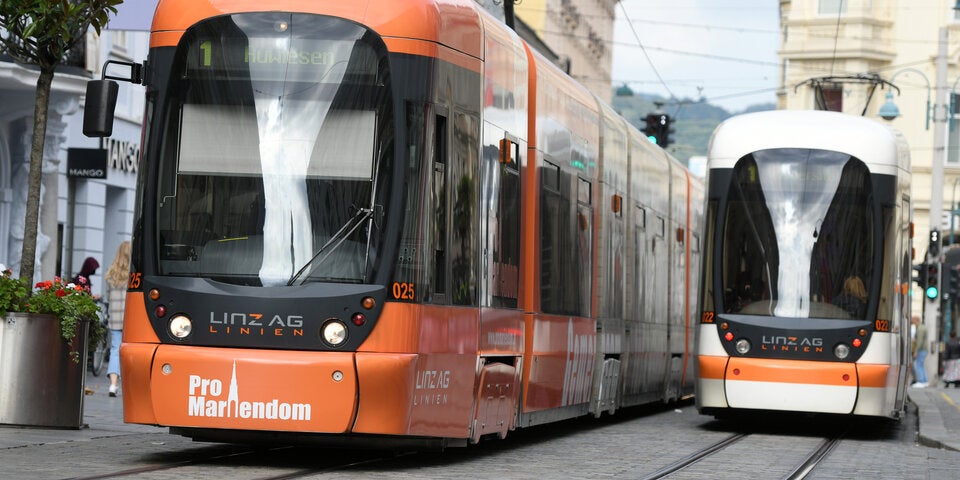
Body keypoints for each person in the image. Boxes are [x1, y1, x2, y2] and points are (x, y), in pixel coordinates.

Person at [103, 242, 130, 397]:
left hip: (115, 318)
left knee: (115, 350)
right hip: (130, 318)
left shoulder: (111, 274)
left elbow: (108, 296)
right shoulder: (133, 275)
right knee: (128, 350)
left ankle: (113, 385)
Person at [911, 315, 929, 388]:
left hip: (921, 349)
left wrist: (916, 351)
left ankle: (921, 381)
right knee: (921, 365)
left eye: (913, 319)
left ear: (917, 320)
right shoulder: (922, 327)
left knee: (918, 365)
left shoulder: (920, 329)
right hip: (923, 349)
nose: (911, 321)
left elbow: (920, 341)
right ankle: (925, 381)